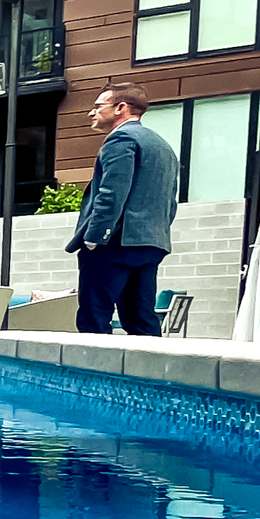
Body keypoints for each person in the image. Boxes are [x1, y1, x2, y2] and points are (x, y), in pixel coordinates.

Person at [67, 82, 180, 337]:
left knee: (94, 319)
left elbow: (111, 194)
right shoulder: (163, 146)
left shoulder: (121, 139)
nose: (91, 113)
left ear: (121, 108)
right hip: (150, 244)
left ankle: (93, 376)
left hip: (113, 242)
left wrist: (95, 237)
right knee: (142, 320)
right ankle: (149, 376)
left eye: (98, 106)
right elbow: (169, 201)